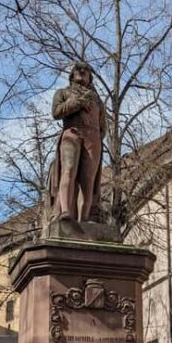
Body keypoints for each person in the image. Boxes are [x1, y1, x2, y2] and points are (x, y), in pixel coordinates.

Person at [47, 61, 107, 222]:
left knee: (88, 180)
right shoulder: (63, 93)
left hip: (92, 138)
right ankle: (65, 212)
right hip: (71, 133)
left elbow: (103, 126)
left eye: (86, 70)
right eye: (78, 70)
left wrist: (95, 138)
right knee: (69, 170)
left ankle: (84, 218)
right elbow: (56, 112)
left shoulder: (97, 101)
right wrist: (78, 103)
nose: (82, 71)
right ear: (72, 75)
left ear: (90, 77)